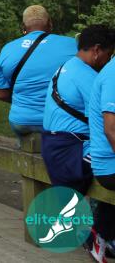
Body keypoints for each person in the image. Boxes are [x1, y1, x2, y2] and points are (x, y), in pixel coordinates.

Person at [42, 25, 115, 195]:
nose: (108, 60)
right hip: (71, 150)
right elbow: (108, 123)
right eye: (109, 54)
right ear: (96, 50)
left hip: (51, 145)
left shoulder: (66, 67)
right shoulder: (88, 77)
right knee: (105, 161)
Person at [0, 4, 77, 140]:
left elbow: (1, 94)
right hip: (60, 120)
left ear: (23, 27)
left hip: (21, 121)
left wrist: (27, 103)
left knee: (26, 145)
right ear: (50, 23)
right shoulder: (72, 44)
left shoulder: (7, 49)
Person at [87, 30, 115, 260]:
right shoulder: (113, 75)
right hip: (109, 165)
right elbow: (110, 129)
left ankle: (102, 233)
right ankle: (100, 234)